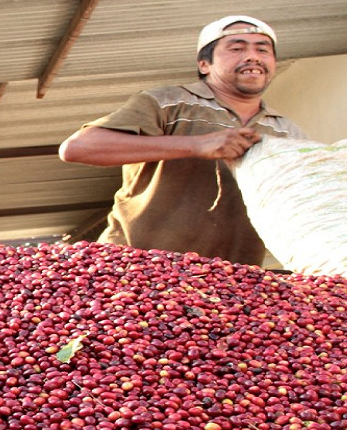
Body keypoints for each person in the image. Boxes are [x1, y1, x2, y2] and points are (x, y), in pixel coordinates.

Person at [59, 15, 305, 265]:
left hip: (233, 280)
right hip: (136, 267)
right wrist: (197, 145)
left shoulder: (286, 132)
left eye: (263, 49)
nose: (253, 57)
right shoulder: (168, 103)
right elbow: (78, 147)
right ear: (204, 65)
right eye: (237, 48)